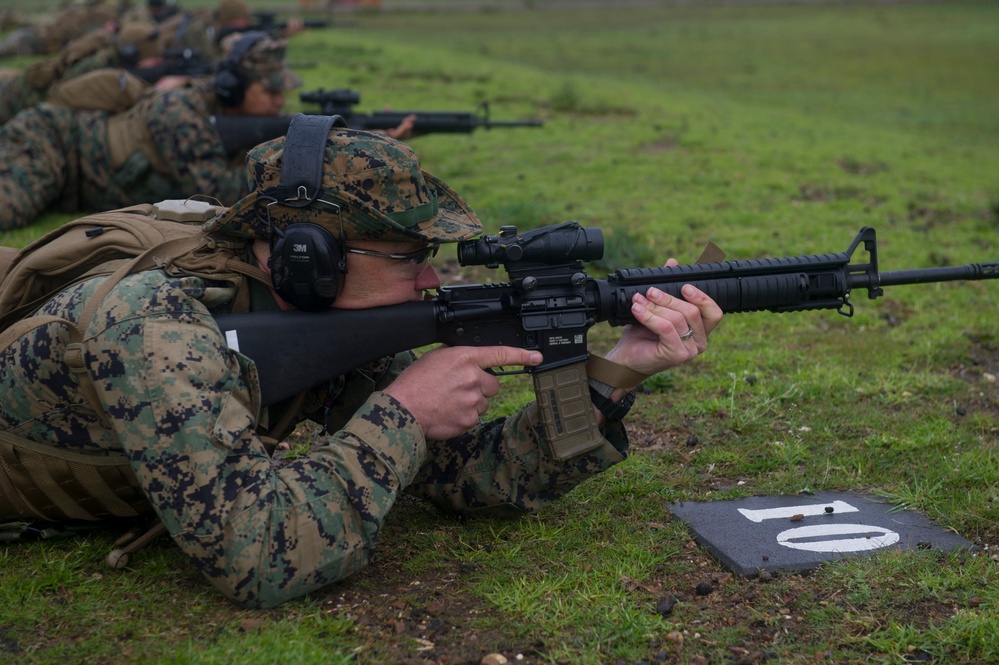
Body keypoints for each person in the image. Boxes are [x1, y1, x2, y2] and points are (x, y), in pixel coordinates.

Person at [0, 122, 723, 608]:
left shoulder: (310, 316)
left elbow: (455, 475)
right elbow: (252, 554)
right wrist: (403, 411)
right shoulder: (157, 328)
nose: (431, 281)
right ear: (306, 258)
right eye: (411, 259)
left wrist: (615, 372)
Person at [0, 31, 301, 231]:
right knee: (9, 208)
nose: (279, 101)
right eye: (270, 91)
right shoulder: (179, 110)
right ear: (233, 90)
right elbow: (219, 194)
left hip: (74, 187)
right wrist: (288, 161)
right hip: (52, 141)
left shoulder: (218, 117)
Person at [0, 22, 165, 126]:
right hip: (14, 99)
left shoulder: (111, 60)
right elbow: (63, 106)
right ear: (131, 53)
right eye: (154, 59)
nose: (158, 63)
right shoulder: (94, 67)